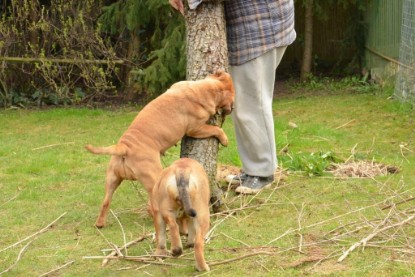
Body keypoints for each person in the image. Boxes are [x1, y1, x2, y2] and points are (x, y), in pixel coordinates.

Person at [169, 0, 296, 194]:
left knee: (251, 105)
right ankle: (254, 169)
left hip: (259, 29)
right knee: (249, 104)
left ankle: (262, 173)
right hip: (262, 25)